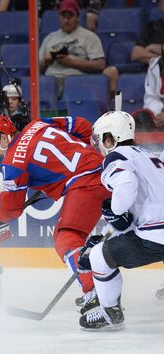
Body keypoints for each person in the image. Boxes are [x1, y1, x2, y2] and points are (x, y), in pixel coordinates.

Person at [0, 114, 111, 313]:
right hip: (108, 168)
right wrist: (85, 155)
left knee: (65, 238)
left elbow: (12, 208)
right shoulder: (38, 124)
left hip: (88, 183)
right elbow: (81, 125)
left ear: (2, 137)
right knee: (146, 227)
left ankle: (95, 292)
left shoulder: (13, 161)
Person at [76, 111, 164, 331]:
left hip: (155, 237)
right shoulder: (148, 156)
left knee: (99, 256)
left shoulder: (115, 158)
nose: (100, 146)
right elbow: (145, 208)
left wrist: (115, 211)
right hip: (157, 230)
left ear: (111, 138)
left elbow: (125, 184)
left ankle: (110, 314)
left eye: (101, 139)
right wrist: (113, 229)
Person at [38, 0, 118, 97]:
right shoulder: (49, 38)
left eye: (70, 16)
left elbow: (100, 64)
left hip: (77, 83)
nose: (66, 20)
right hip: (50, 83)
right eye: (63, 16)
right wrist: (47, 60)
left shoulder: (89, 37)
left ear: (78, 18)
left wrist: (72, 63)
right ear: (59, 17)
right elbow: (36, 69)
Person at [132, 56, 164, 132]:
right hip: (160, 112)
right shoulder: (155, 64)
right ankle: (149, 142)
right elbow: (151, 98)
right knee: (142, 117)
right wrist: (156, 116)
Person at [131, 0, 164, 66]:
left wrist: (156, 48)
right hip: (153, 72)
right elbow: (135, 54)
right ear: (160, 5)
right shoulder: (151, 27)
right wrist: (159, 60)